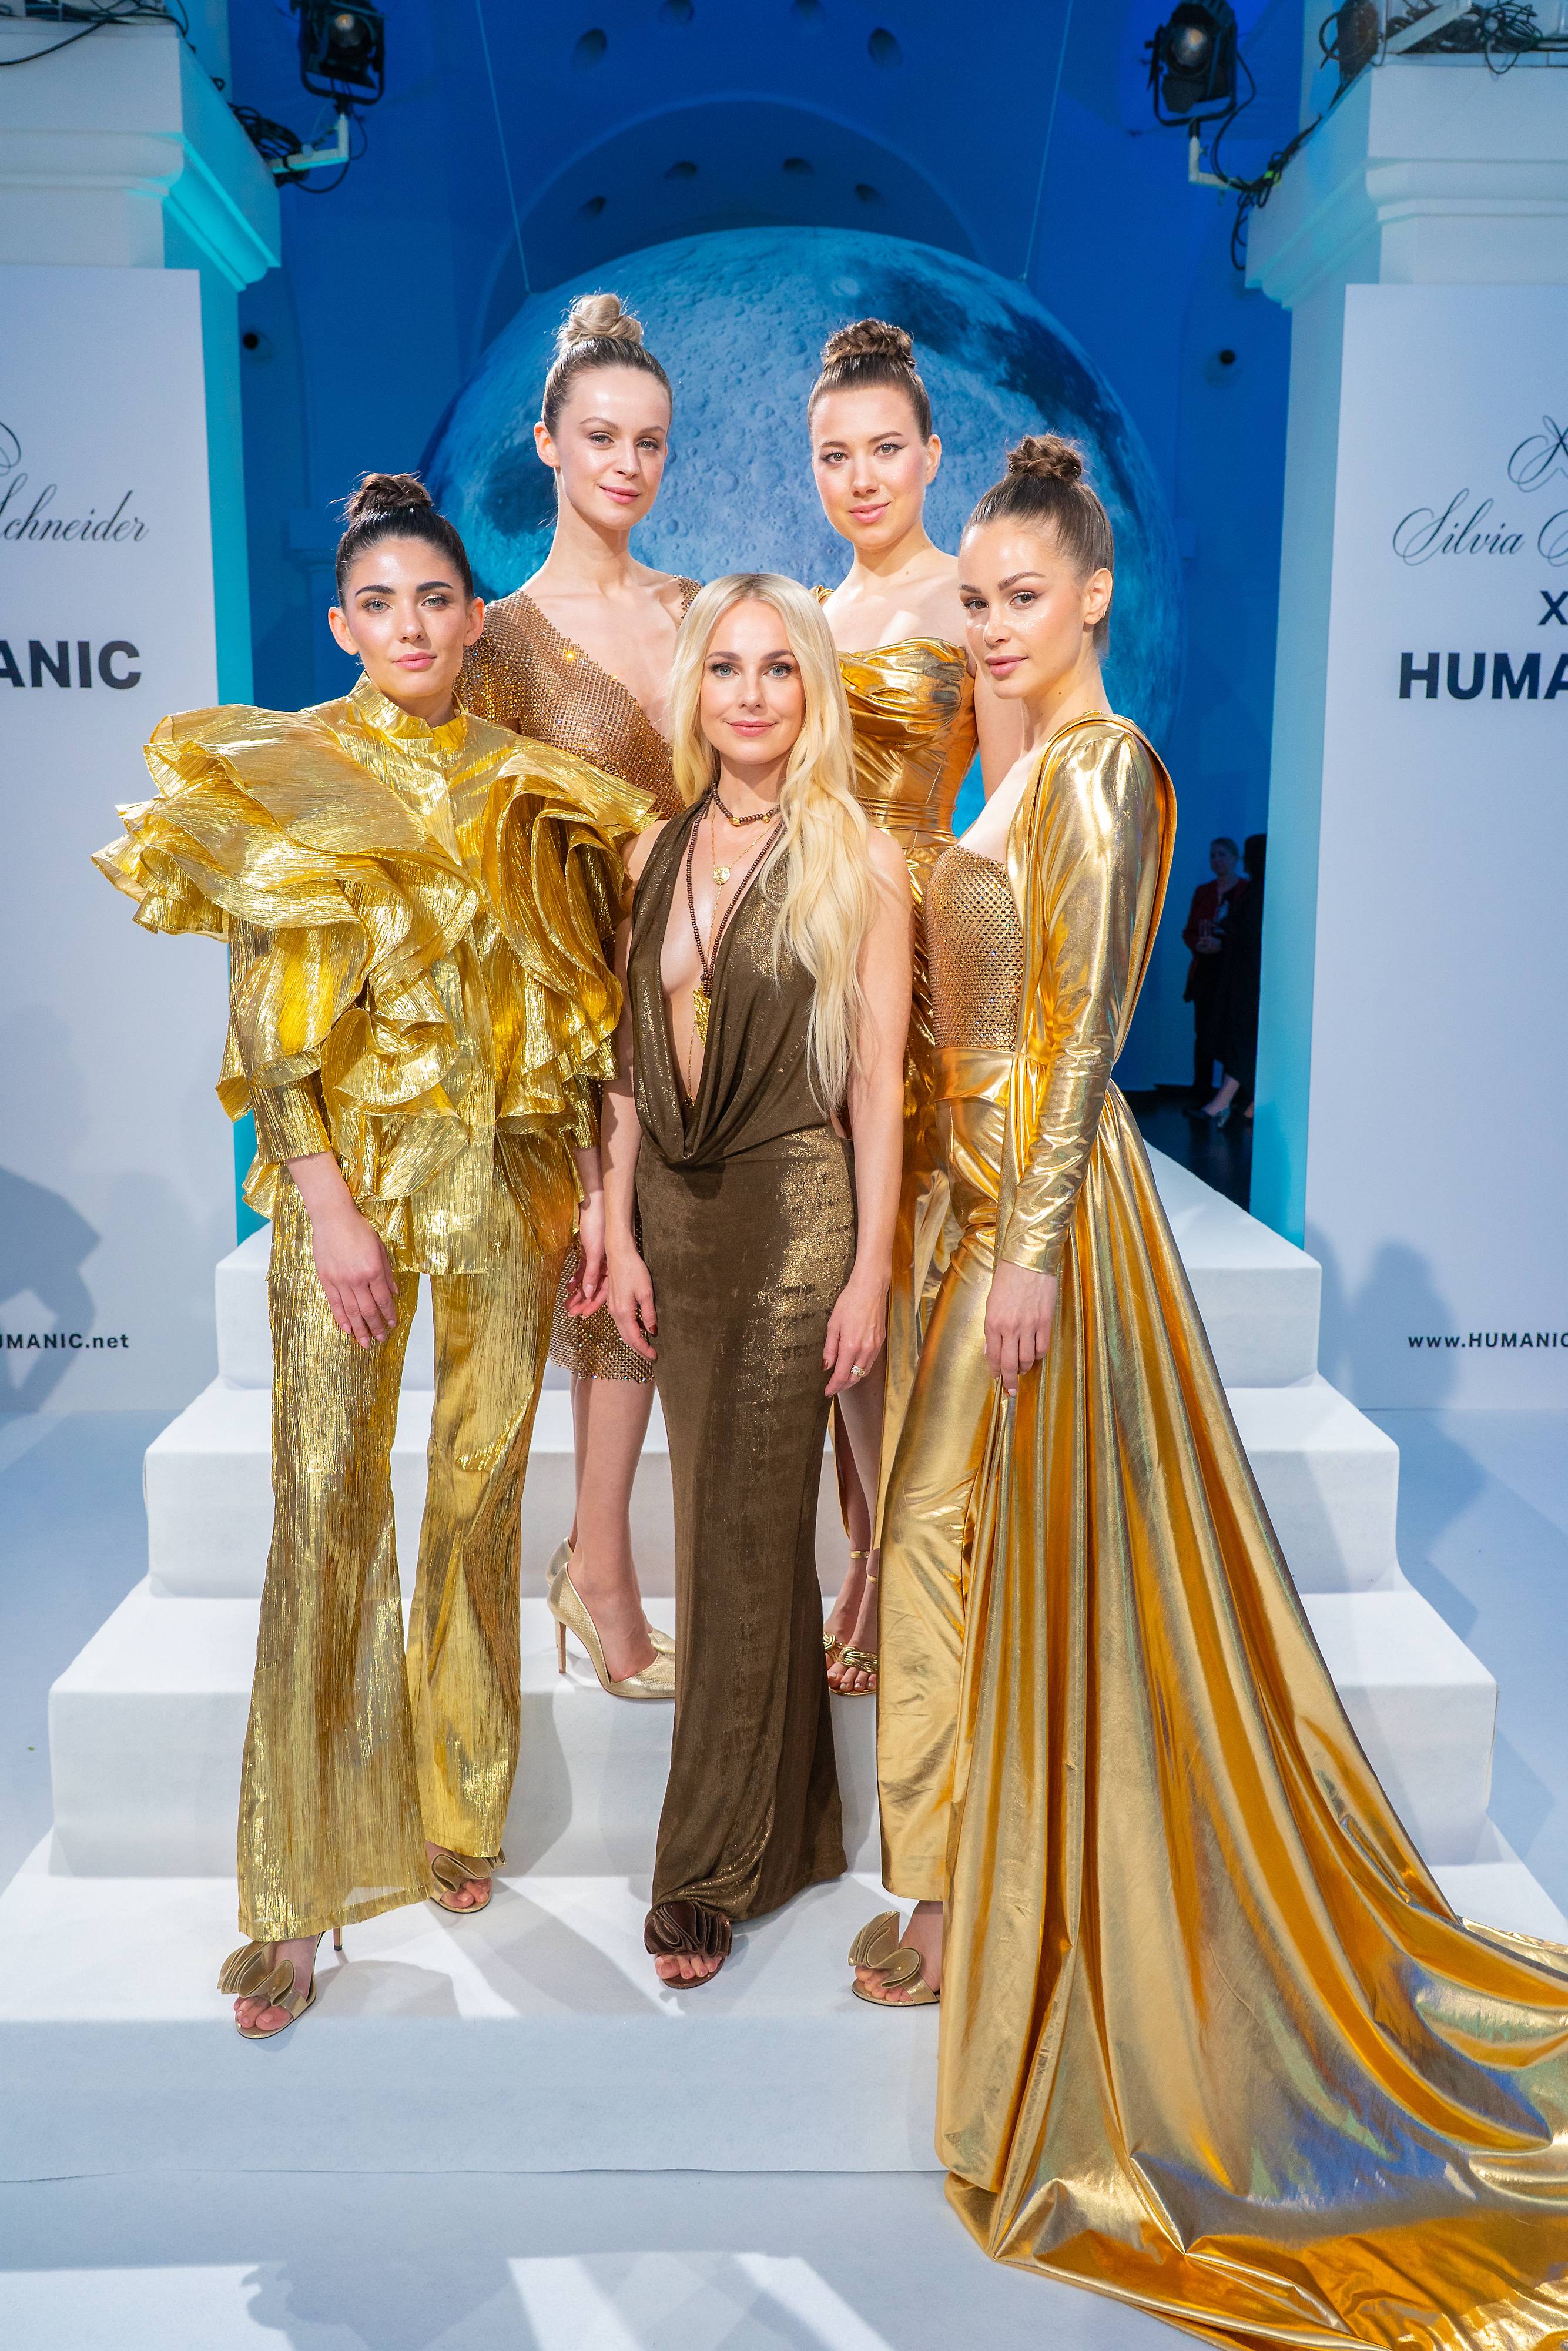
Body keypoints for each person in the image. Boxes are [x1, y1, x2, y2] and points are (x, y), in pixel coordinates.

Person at [855, 438, 1568, 2342]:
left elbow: (1085, 1029)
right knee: (967, 1543)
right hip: (981, 1204)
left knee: (947, 1533)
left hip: (1045, 1223)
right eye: (974, 602)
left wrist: (1022, 1246)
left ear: (1092, 597)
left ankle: (984, 1907)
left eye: (1021, 599)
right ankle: (963, 1888)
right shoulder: (1011, 768)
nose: (990, 629)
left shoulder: (1101, 772)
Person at [96, 474, 645, 2039]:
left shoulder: (533, 790)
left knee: (477, 1496)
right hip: (348, 1199)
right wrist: (327, 1210)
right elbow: (270, 1026)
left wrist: (595, 1198)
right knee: (325, 1506)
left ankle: (455, 1804)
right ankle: (293, 1892)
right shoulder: (291, 774)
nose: (410, 626)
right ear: (342, 625)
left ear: (473, 620)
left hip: (511, 1188)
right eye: (380, 604)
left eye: (435, 600)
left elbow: (583, 1015)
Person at [594, 575, 911, 1985]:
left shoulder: (858, 856)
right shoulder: (653, 849)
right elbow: (622, 1061)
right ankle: (793, 1832)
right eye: (725, 667)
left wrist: (869, 1267)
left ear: (812, 690)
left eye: (779, 667)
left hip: (793, 1211)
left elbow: (879, 1088)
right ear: (694, 690)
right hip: (674, 1213)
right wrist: (614, 1228)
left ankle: (703, 1871)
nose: (751, 694)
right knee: (742, 1522)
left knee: (733, 1527)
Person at [460, 292, 695, 1700]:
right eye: (600, 436)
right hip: (576, 1008)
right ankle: (592, 1572)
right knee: (605, 1284)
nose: (626, 463)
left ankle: (600, 1560)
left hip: (708, 1003)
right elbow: (492, 865)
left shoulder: (699, 610)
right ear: (546, 442)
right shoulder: (497, 642)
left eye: (649, 442)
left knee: (659, 1293)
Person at [808, 317, 1021, 1697]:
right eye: (836, 455)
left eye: (886, 449)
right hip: (821, 956)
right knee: (840, 1258)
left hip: (937, 950)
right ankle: (867, 1544)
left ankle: (919, 1556)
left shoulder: (969, 602)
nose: (863, 477)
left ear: (933, 455)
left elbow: (1007, 805)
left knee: (926, 1261)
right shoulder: (805, 622)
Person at [1202, 828, 1265, 1128]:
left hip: (1248, 980)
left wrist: (1225, 936)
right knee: (1240, 1037)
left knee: (1243, 1037)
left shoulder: (1257, 893)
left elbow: (1249, 935)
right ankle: (1239, 1103)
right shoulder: (1256, 891)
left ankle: (1228, 1102)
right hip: (1240, 977)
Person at [1180, 833, 1244, 1113]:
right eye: (1213, 855)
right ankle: (1201, 1094)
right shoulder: (1203, 892)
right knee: (1203, 1033)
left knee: (1231, 1032)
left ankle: (1229, 1096)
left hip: (1232, 972)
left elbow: (1246, 935)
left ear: (1235, 858)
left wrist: (1223, 945)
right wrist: (1200, 945)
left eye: (1222, 855)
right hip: (1205, 971)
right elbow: (1189, 930)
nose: (1217, 860)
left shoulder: (1245, 890)